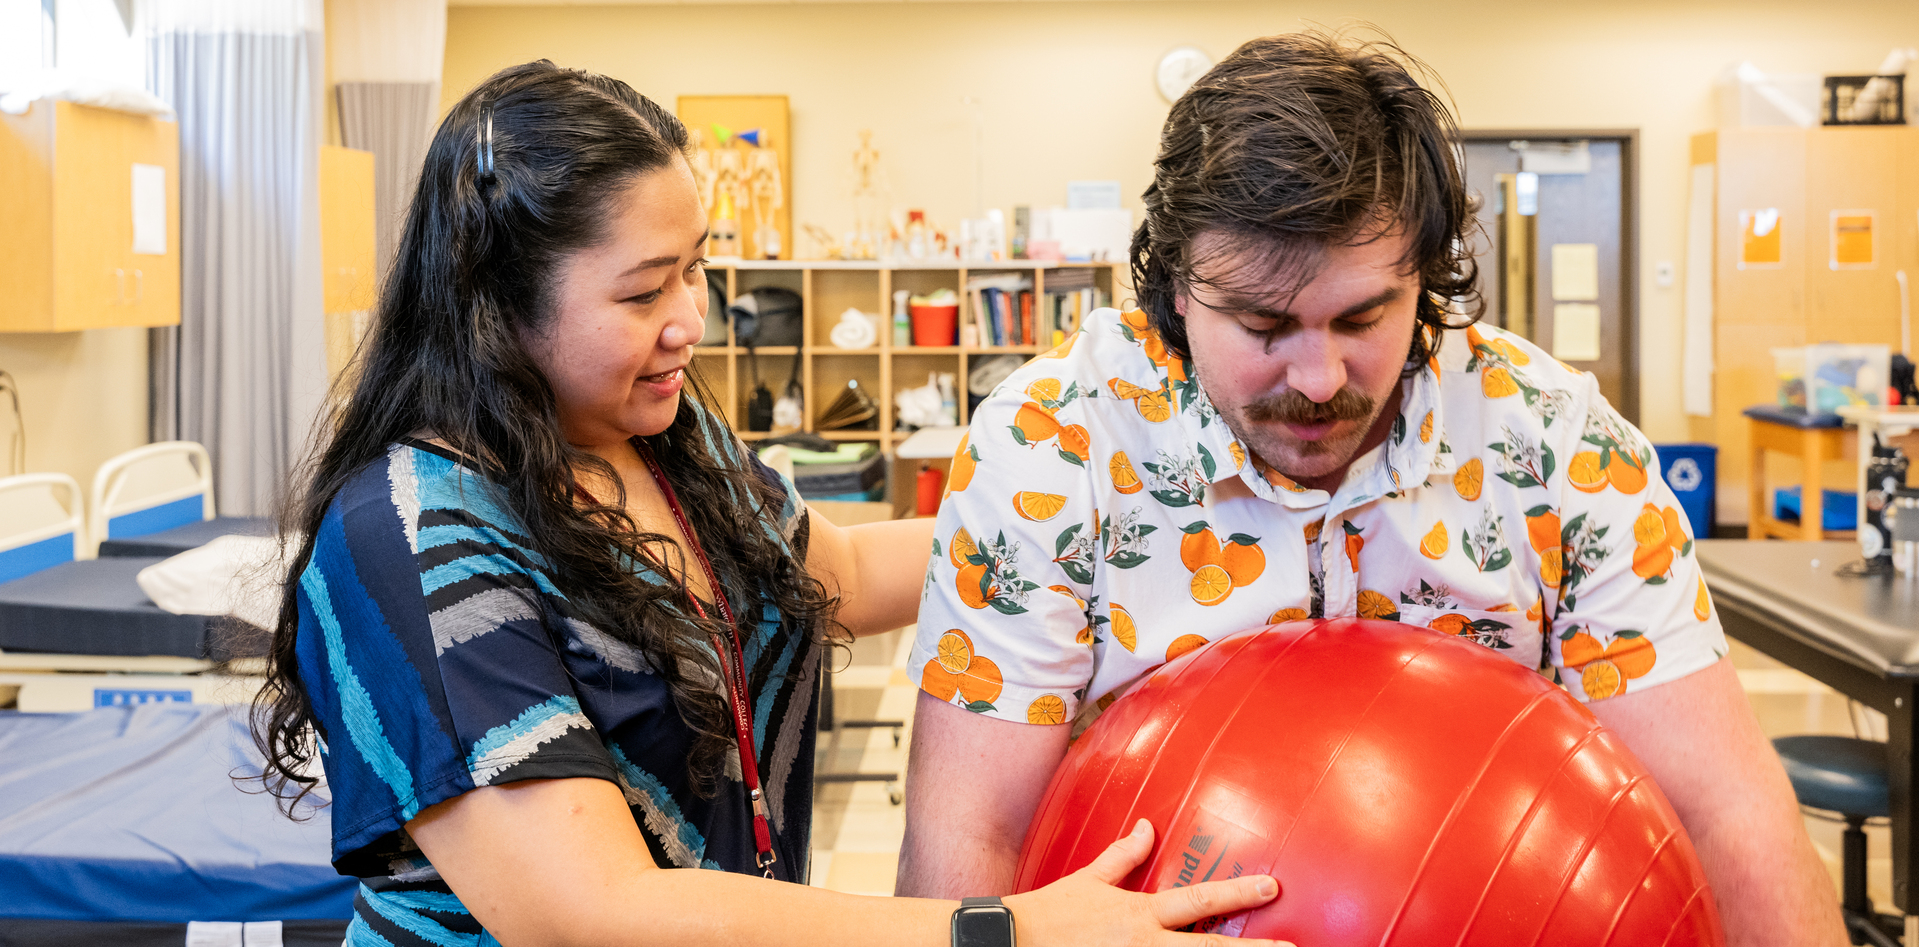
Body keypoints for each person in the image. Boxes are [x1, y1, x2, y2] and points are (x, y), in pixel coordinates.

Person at [254, 61, 1285, 947]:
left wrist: (1073, 519)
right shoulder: (407, 533)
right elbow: (590, 913)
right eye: (642, 291)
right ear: (496, 301)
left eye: (696, 266)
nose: (690, 319)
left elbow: (840, 573)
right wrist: (1001, 922)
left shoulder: (661, 440)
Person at [897, 32, 1844, 947]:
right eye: (1262, 322)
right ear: (1177, 286)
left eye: (1361, 315)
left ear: (1425, 279)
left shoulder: (1556, 443)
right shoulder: (1049, 446)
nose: (1316, 377)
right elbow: (969, 845)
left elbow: (1721, 812)